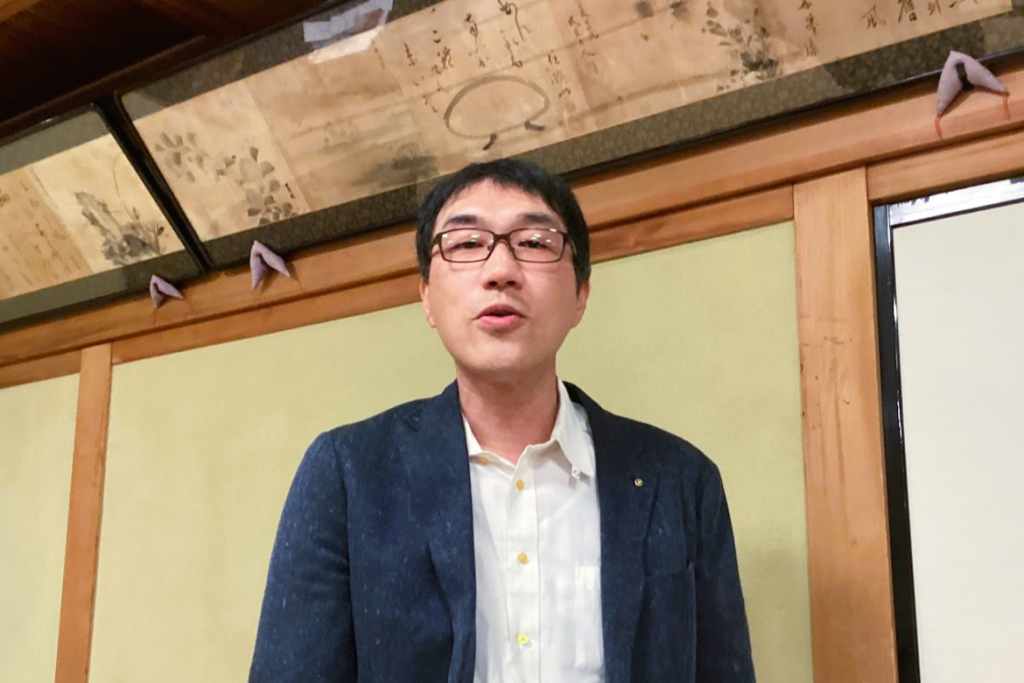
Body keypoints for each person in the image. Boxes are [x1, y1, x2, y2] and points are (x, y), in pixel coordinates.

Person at [249, 159, 755, 683]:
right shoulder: (347, 474)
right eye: (467, 243)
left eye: (534, 242)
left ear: (581, 295)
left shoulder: (681, 479)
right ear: (426, 296)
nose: (500, 270)